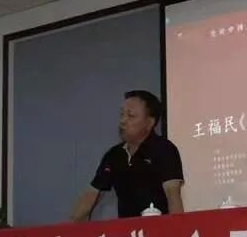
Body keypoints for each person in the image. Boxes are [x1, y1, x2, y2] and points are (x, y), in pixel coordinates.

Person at [70, 90, 184, 220]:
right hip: (126, 230)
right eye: (122, 114)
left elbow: (173, 196)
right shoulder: (114, 154)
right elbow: (90, 196)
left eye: (131, 116)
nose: (123, 121)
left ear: (150, 122)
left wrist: (178, 229)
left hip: (158, 228)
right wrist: (71, 224)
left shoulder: (164, 149)